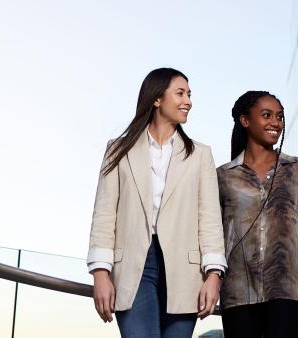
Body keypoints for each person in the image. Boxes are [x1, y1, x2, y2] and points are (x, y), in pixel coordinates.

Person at [87, 68, 227, 338]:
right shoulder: (118, 150)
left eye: (189, 94)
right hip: (134, 265)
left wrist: (214, 275)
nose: (188, 101)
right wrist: (101, 273)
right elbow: (104, 214)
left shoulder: (200, 155)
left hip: (186, 272)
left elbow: (209, 219)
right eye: (180, 93)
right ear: (157, 99)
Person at [217, 91, 298, 338]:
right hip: (237, 293)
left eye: (279, 116)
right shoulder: (224, 175)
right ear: (245, 121)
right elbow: (212, 235)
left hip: (287, 292)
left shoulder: (296, 168)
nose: (275, 122)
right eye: (266, 115)